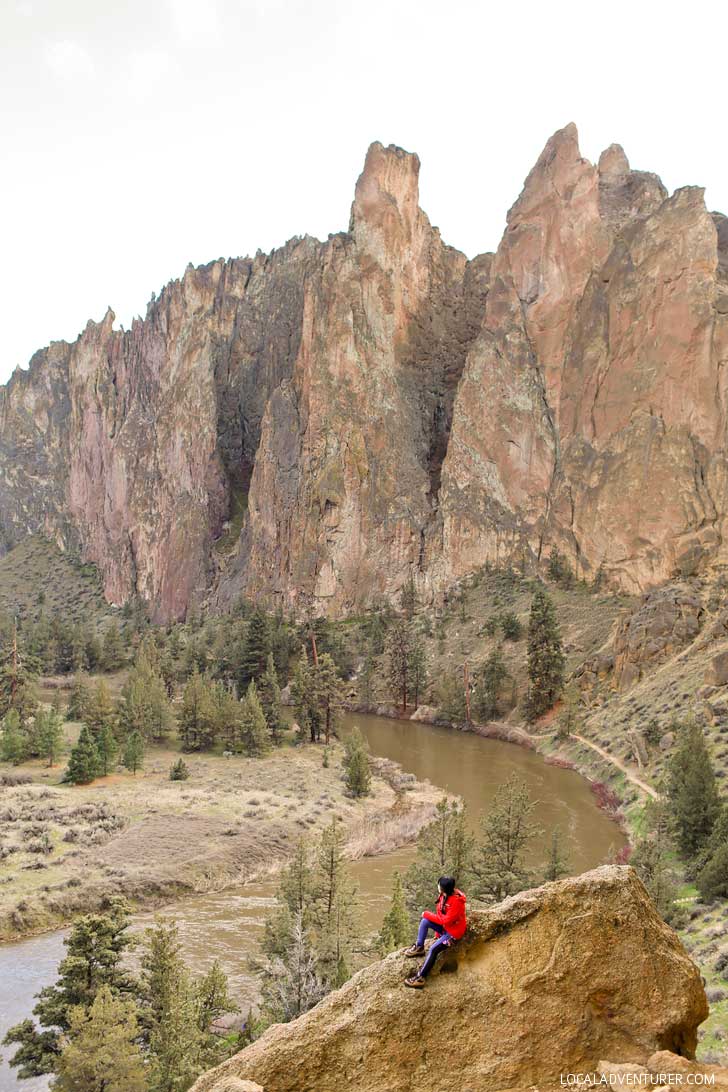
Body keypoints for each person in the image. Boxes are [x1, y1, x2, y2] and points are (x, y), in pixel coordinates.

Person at [403, 875, 467, 989]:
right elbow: (440, 913)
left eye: (439, 885)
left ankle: (420, 978)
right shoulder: (444, 895)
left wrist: (426, 913)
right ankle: (419, 947)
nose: (437, 886)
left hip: (453, 934)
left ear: (443, 888)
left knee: (433, 949)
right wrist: (438, 934)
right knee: (425, 921)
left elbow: (445, 920)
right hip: (446, 928)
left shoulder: (457, 902)